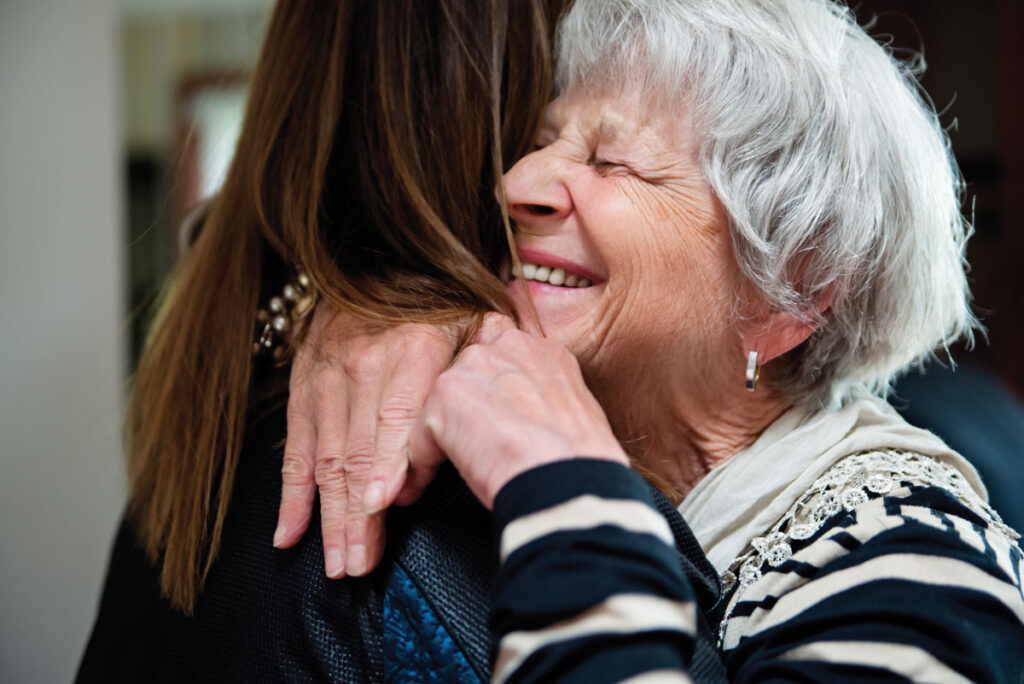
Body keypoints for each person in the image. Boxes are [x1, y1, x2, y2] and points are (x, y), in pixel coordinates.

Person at [284, 0, 1024, 680]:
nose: (517, 182)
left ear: (788, 286)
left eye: (612, 162)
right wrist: (342, 307)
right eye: (545, 141)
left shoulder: (916, 560)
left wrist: (562, 483)